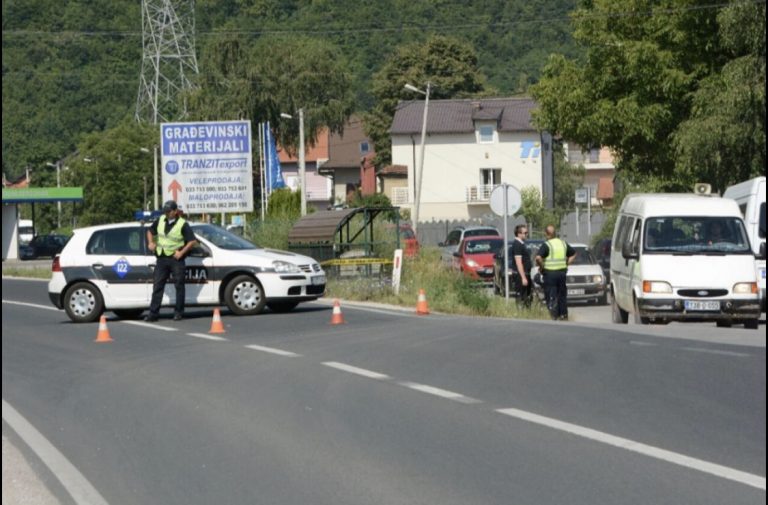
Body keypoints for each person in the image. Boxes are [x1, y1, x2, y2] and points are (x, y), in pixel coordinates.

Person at [145, 200, 198, 321]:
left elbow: (192, 241)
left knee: (179, 285)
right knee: (158, 285)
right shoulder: (160, 220)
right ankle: (153, 314)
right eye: (165, 211)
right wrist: (151, 242)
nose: (167, 213)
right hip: (162, 258)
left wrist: (181, 252)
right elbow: (150, 231)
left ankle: (178, 312)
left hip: (176, 259)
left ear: (175, 211)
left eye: (169, 211)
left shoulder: (182, 224)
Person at [535, 224, 576, 321]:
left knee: (551, 294)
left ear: (546, 234)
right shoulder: (563, 243)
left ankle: (553, 314)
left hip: (550, 273)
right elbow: (574, 253)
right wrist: (567, 264)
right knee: (562, 294)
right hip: (562, 273)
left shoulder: (547, 244)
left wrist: (542, 266)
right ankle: (564, 315)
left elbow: (538, 257)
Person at [511, 224, 533, 307]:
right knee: (521, 295)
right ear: (519, 234)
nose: (527, 234)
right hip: (520, 275)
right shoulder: (517, 244)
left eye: (527, 233)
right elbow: (518, 262)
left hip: (525, 273)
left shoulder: (521, 244)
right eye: (525, 233)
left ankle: (526, 311)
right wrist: (523, 277)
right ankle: (521, 312)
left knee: (526, 295)